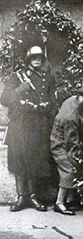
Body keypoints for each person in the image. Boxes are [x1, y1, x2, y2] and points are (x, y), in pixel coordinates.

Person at [0, 45, 56, 212]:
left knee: (35, 161)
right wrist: (19, 89)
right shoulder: (17, 77)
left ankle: (32, 197)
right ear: (28, 60)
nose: (37, 60)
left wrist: (47, 107)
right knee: (18, 160)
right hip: (19, 124)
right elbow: (3, 99)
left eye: (40, 57)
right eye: (34, 57)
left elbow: (53, 101)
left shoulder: (47, 78)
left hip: (38, 125)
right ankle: (21, 197)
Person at [50, 82, 83, 215]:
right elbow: (71, 143)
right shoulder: (71, 117)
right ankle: (59, 203)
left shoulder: (75, 100)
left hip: (66, 140)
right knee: (70, 169)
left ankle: (70, 200)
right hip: (59, 145)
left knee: (73, 167)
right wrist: (77, 158)